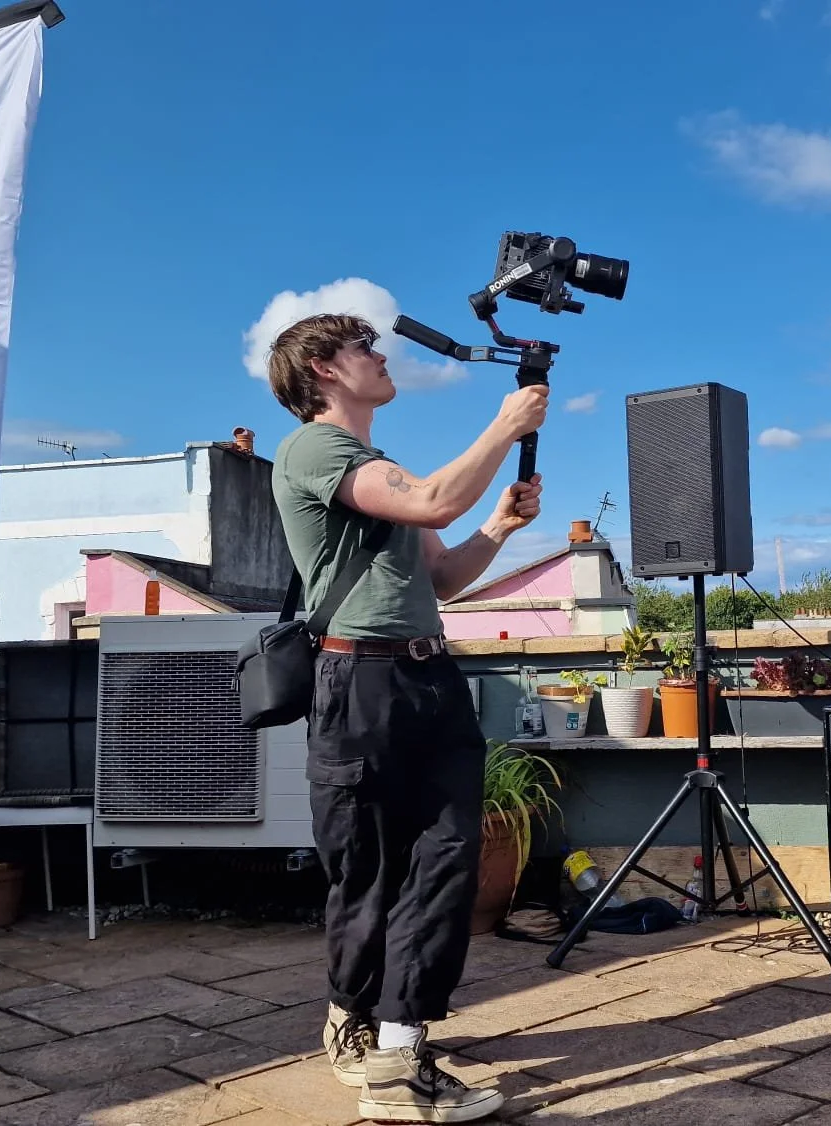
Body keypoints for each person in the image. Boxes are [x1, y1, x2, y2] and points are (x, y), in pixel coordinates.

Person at [266, 312, 546, 1123]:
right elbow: (429, 502)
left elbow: (448, 576)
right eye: (362, 348)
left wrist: (498, 524)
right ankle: (349, 1020)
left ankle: (397, 1052)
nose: (380, 356)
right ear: (321, 369)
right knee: (369, 871)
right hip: (362, 683)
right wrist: (504, 424)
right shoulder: (315, 448)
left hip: (428, 680)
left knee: (446, 863)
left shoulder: (376, 465)